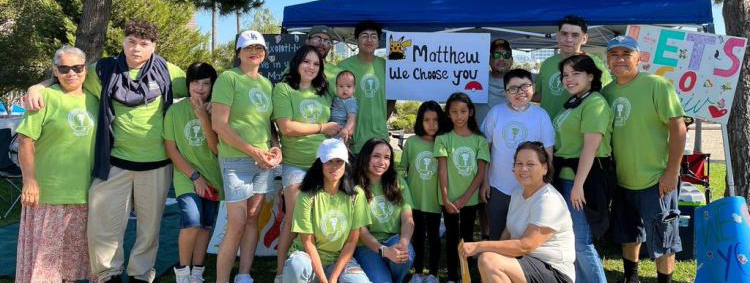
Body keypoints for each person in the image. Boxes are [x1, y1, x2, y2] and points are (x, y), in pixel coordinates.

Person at [24, 20, 189, 283]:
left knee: (149, 229)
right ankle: (107, 275)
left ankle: (140, 275)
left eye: (144, 44)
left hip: (157, 164)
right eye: (131, 42)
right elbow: (70, 74)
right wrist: (38, 86)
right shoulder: (102, 70)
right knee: (104, 228)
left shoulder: (169, 72)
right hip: (115, 163)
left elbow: (200, 87)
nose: (136, 49)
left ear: (153, 47)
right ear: (122, 41)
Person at [602, 36, 686, 283]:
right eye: (613, 54)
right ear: (607, 60)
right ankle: (631, 278)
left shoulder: (656, 85)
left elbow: (678, 129)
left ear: (639, 57)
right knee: (630, 234)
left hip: (656, 180)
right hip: (623, 179)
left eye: (626, 53)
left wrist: (671, 171)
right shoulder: (607, 92)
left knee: (664, 238)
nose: (619, 59)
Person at [15, 45, 97, 283]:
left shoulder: (95, 100)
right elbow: (25, 141)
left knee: (74, 260)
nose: (71, 73)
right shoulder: (44, 98)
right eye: (64, 68)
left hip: (85, 192)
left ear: (85, 69)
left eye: (77, 67)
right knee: (46, 263)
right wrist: (29, 181)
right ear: (55, 71)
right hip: (48, 192)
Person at [212, 30, 282, 283]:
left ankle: (243, 275)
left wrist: (276, 148)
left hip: (263, 162)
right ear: (238, 52)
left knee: (253, 218)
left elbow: (268, 126)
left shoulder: (266, 84)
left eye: (259, 48)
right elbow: (219, 124)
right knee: (237, 223)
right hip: (235, 161)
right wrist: (254, 152)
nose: (254, 52)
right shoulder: (228, 79)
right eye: (248, 48)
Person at [460, 141, 575, 283]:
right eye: (519, 163)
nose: (523, 168)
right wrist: (491, 251)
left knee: (488, 260)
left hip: (554, 272)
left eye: (530, 164)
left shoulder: (549, 200)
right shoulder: (517, 193)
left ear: (545, 168)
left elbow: (526, 245)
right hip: (524, 263)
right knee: (489, 259)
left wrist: (479, 246)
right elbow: (507, 233)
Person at [273, 45, 341, 281]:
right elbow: (286, 127)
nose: (311, 67)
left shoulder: (324, 92)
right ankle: (281, 272)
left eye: (316, 64)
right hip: (295, 165)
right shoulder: (283, 89)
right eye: (307, 62)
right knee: (293, 220)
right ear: (297, 63)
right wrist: (322, 128)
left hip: (322, 165)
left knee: (318, 217)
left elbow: (340, 113)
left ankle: (313, 266)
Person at [552, 55, 614, 283]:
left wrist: (578, 185)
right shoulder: (574, 102)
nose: (569, 79)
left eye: (575, 73)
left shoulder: (595, 103)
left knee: (581, 242)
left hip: (584, 179)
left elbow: (590, 147)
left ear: (590, 76)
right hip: (566, 177)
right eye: (565, 75)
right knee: (569, 239)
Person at [281, 138, 372, 283]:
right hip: (307, 257)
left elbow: (351, 242)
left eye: (339, 161)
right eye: (329, 161)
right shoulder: (306, 195)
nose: (334, 167)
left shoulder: (357, 195)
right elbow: (308, 242)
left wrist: (334, 278)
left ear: (346, 164)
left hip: (339, 260)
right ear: (320, 164)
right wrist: (324, 280)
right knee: (296, 267)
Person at [164, 62, 222, 283]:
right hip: (186, 175)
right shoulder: (175, 111)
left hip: (214, 177)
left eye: (206, 83)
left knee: (206, 225)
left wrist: (204, 118)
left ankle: (197, 272)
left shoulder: (216, 109)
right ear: (188, 84)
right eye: (195, 82)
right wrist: (195, 177)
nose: (200, 88)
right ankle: (182, 271)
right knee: (192, 221)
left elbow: (216, 148)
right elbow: (171, 148)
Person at [480, 69, 554, 241]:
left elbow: (548, 154)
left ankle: (520, 267)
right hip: (498, 186)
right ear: (505, 92)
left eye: (525, 86)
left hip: (531, 188)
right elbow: (485, 151)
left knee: (525, 235)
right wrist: (484, 181)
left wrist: (546, 184)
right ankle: (494, 265)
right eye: (513, 88)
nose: (519, 92)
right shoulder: (496, 113)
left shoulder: (541, 115)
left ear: (533, 88)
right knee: (497, 232)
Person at [435, 92, 490, 283]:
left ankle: (465, 274)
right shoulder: (443, 138)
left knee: (466, 237)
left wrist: (465, 198)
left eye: (463, 111)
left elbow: (480, 173)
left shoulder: (479, 140)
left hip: (471, 200)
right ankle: (452, 276)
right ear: (448, 114)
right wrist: (445, 197)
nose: (459, 116)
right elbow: (442, 170)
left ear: (471, 112)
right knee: (452, 238)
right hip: (448, 200)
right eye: (454, 112)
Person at [353, 138, 415, 283]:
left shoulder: (397, 180)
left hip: (393, 238)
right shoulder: (355, 186)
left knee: (407, 255)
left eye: (387, 157)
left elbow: (408, 219)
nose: (382, 162)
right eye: (376, 156)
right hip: (366, 246)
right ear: (365, 157)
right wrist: (385, 251)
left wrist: (404, 241)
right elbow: (362, 232)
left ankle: (394, 277)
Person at [401, 101, 448, 283]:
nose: (431, 124)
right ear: (420, 121)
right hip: (415, 200)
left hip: (435, 201)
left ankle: (434, 274)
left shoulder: (443, 142)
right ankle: (419, 271)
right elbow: (402, 169)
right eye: (426, 120)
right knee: (418, 238)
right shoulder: (412, 142)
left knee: (434, 238)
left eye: (435, 120)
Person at [534, 14, 612, 118]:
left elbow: (605, 95)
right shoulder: (548, 63)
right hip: (549, 128)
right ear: (558, 36)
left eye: (575, 35)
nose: (568, 39)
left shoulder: (594, 63)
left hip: (578, 129)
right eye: (564, 34)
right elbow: (541, 95)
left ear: (584, 38)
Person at [338, 21, 395, 153]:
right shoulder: (343, 66)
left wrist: (381, 121)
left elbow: (393, 98)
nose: (369, 40)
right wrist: (345, 129)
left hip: (379, 139)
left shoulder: (388, 66)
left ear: (378, 41)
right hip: (352, 138)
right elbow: (337, 102)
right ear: (356, 40)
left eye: (373, 36)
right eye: (364, 36)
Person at [475, 38, 513, 125]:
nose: (501, 58)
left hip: (508, 135)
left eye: (506, 55)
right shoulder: (477, 78)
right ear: (489, 59)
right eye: (496, 54)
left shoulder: (520, 81)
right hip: (481, 136)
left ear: (512, 60)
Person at [329, 70, 358, 143]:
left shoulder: (350, 101)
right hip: (333, 132)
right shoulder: (336, 98)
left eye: (348, 86)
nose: (345, 89)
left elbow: (352, 118)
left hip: (343, 133)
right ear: (336, 87)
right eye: (341, 86)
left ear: (354, 88)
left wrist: (346, 129)